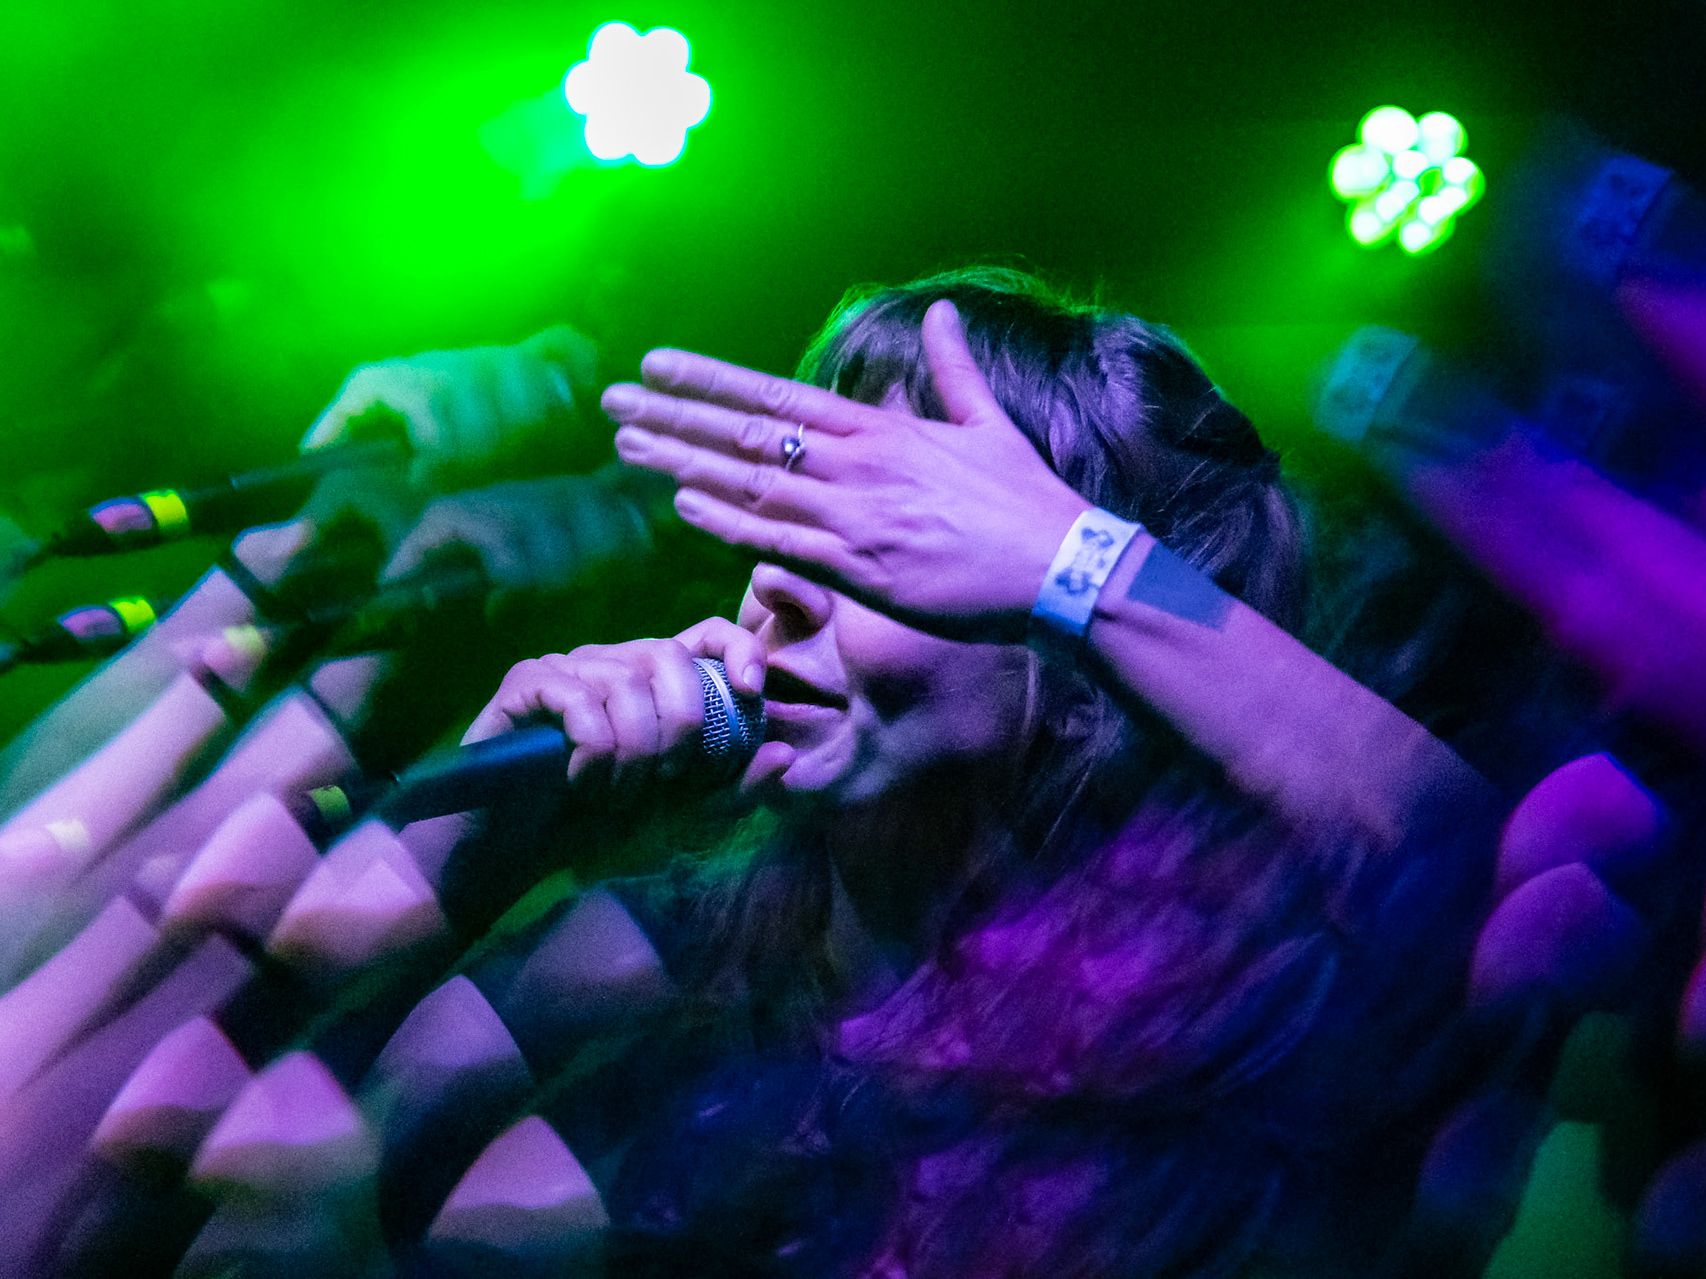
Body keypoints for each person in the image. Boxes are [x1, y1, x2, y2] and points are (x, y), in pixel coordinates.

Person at [463, 268, 1507, 1276]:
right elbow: (377, 1199)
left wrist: (1079, 564)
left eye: (882, 540)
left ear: (1080, 674)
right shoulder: (673, 958)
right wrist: (463, 843)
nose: (778, 586)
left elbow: (1470, 860)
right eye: (790, 517)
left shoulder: (1239, 1035)